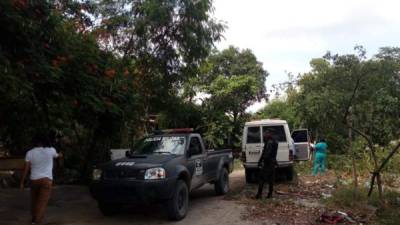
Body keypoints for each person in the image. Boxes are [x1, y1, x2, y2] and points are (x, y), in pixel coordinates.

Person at [20, 134, 62, 225]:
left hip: (34, 180)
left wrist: (22, 182)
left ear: (35, 142)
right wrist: (61, 155)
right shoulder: (51, 150)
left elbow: (26, 169)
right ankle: (36, 222)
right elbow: (58, 156)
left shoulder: (30, 152)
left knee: (34, 200)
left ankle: (34, 218)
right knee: (42, 203)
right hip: (47, 180)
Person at [255, 131, 278, 199]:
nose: (264, 136)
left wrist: (262, 161)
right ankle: (270, 195)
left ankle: (259, 195)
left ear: (269, 134)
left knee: (262, 178)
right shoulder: (275, 142)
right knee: (271, 179)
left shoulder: (269, 142)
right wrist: (260, 160)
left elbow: (266, 153)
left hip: (268, 163)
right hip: (272, 163)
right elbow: (271, 153)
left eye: (265, 134)